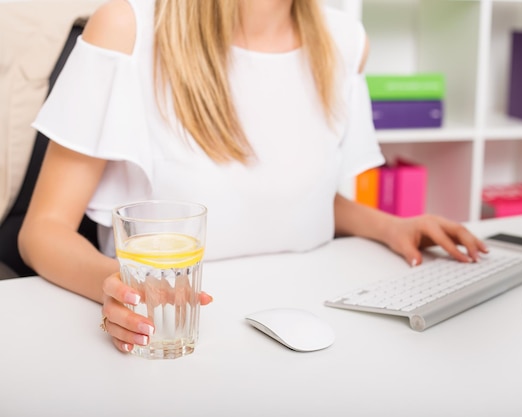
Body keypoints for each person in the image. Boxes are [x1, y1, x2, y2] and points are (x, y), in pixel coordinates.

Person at [18, 0, 488, 354]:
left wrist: (393, 227)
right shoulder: (128, 28)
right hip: (175, 335)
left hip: (318, 319)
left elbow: (300, 200)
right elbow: (43, 230)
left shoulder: (345, 41)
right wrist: (116, 286)